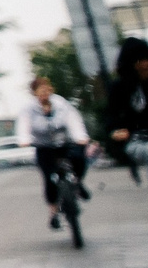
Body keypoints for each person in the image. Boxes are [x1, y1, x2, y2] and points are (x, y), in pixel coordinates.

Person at [17, 74, 94, 227]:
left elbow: (73, 119)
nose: (45, 94)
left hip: (64, 143)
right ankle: (53, 211)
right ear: (35, 93)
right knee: (49, 177)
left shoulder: (60, 103)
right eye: (41, 91)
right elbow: (23, 124)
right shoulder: (29, 109)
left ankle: (77, 184)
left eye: (47, 90)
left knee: (79, 159)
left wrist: (80, 137)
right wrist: (24, 139)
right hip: (44, 146)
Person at [105, 36, 148, 181]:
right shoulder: (120, 88)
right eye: (140, 61)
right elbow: (111, 116)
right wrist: (115, 131)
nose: (146, 65)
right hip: (137, 140)